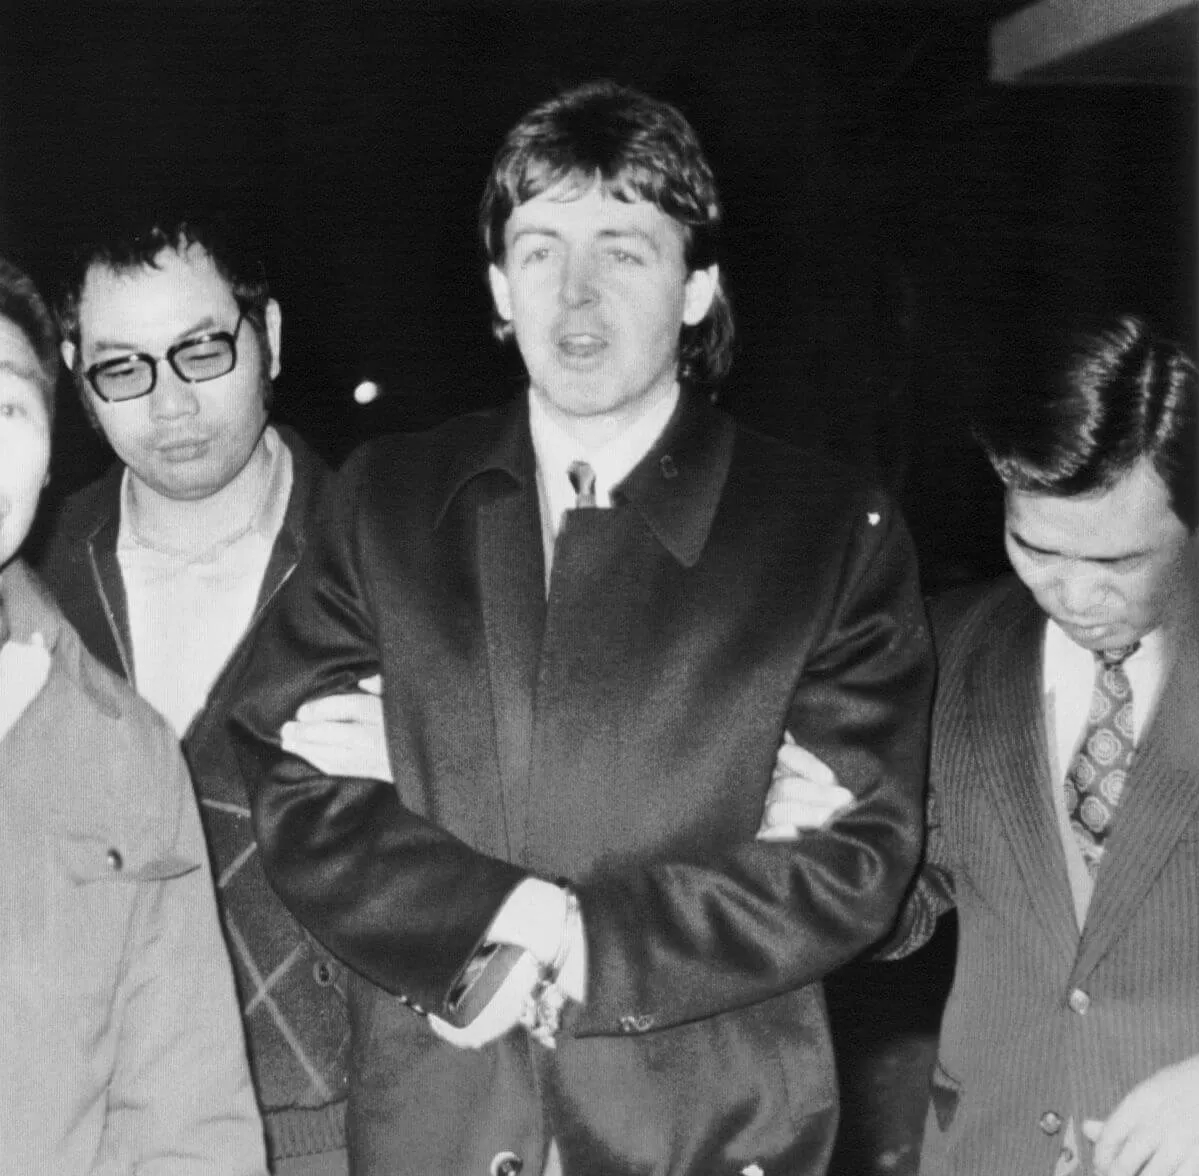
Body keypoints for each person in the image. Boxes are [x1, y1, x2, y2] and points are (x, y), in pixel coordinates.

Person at [231, 80, 932, 1176]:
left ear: (699, 289)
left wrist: (582, 935)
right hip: (443, 1125)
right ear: (500, 287)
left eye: (626, 250)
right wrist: (494, 925)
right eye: (541, 250)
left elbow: (855, 857)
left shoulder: (828, 535)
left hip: (706, 1131)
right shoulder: (386, 502)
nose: (577, 297)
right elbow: (297, 782)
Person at [778, 315, 1199, 1176]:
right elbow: (904, 901)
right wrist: (818, 855)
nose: (1075, 595)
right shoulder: (949, 647)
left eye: (1118, 562)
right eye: (1036, 548)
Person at [36, 211, 358, 1175]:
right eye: (123, 366)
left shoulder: (392, 561)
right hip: (86, 1134)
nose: (170, 403)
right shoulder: (33, 581)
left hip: (337, 1134)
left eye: (202, 350)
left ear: (271, 340)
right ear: (75, 376)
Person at [0, 255, 267, 1173]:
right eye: (124, 367)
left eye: (4, 410)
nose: (171, 404)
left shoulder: (121, 748)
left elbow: (184, 1124)